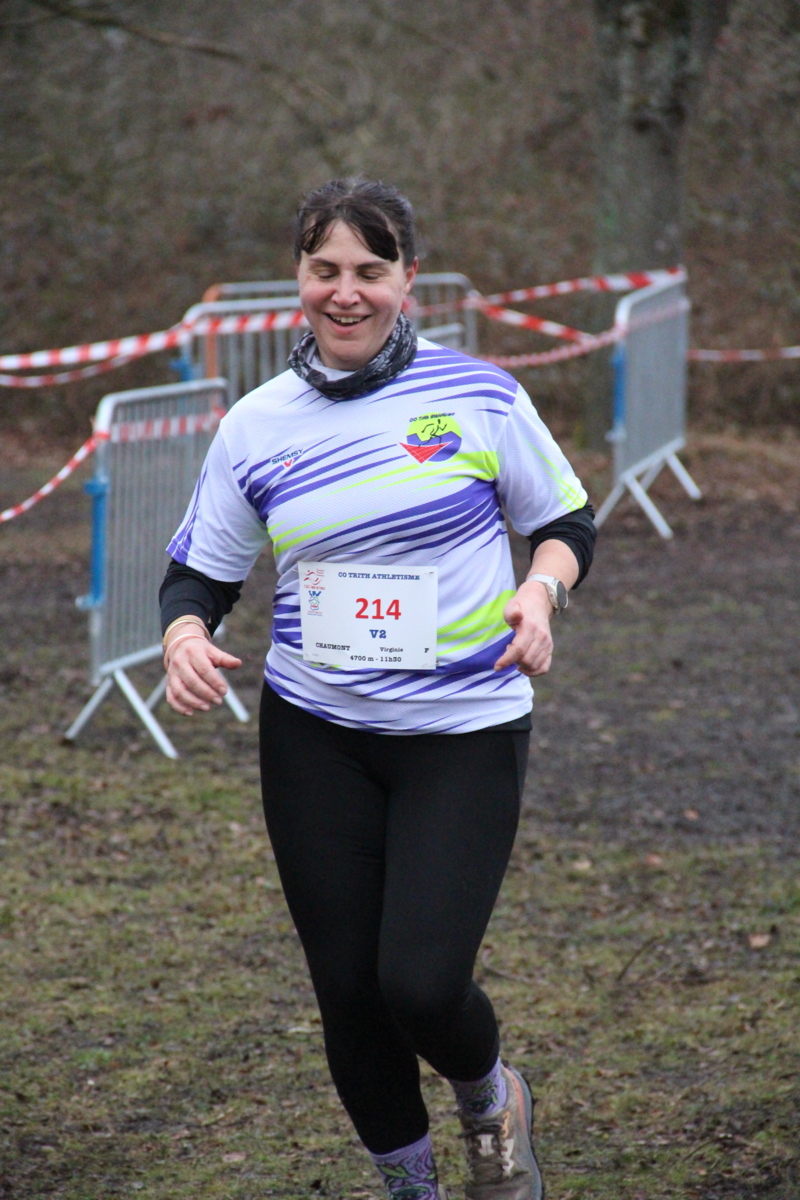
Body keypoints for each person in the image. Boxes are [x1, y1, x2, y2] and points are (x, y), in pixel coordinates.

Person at [159, 178, 595, 1200]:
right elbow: (201, 574)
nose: (345, 292)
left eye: (369, 269)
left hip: (463, 729)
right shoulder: (256, 425)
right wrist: (183, 634)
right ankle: (411, 1187)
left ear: (408, 280)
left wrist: (539, 593)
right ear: (297, 279)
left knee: (420, 983)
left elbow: (565, 522)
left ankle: (490, 1097)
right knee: (350, 993)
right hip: (316, 734)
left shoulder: (481, 396)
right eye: (324, 270)